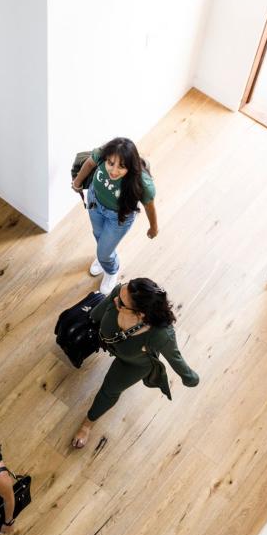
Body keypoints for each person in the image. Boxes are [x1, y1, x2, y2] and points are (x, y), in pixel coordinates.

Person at [71, 278, 199, 449]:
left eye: (121, 303)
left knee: (109, 390)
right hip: (109, 343)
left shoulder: (160, 335)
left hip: (135, 364)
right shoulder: (122, 293)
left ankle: (87, 424)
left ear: (141, 314)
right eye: (121, 291)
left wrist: (189, 377)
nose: (115, 299)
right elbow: (96, 313)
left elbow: (175, 358)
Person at [72, 138, 159, 296]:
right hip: (95, 203)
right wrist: (77, 181)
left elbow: (149, 206)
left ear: (130, 167)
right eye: (110, 163)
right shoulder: (103, 153)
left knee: (104, 252)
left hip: (118, 217)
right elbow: (90, 163)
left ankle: (111, 270)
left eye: (121, 166)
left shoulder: (142, 183)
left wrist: (154, 227)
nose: (113, 170)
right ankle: (103, 256)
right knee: (98, 235)